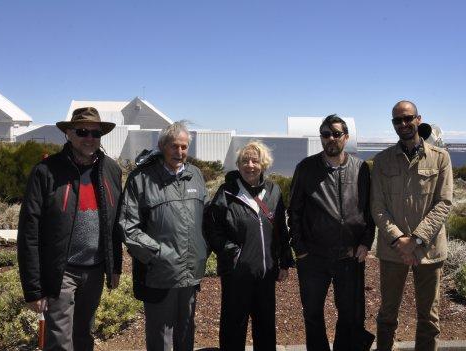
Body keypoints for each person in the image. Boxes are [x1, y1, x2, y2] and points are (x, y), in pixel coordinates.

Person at [17, 107, 123, 351]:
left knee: (84, 336)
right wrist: (34, 289)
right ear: (68, 134)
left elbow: (115, 224)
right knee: (60, 341)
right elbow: (29, 233)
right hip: (61, 271)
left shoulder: (110, 170)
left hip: (95, 271)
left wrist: (114, 265)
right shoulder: (46, 172)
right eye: (82, 131)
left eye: (95, 133)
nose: (89, 138)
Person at [371, 101, 453, 351]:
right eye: (397, 120)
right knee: (387, 315)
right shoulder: (383, 161)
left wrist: (416, 240)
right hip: (393, 251)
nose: (403, 124)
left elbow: (444, 202)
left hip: (428, 250)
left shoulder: (440, 158)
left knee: (428, 317)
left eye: (408, 118)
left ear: (418, 119)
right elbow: (377, 206)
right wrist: (399, 241)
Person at [288, 114, 375, 351]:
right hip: (314, 257)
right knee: (313, 314)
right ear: (321, 138)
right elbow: (293, 211)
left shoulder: (360, 169)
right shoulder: (306, 168)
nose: (331, 138)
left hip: (350, 256)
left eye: (336, 134)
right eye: (326, 134)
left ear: (346, 137)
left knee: (350, 315)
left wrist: (366, 242)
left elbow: (369, 210)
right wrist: (300, 250)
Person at [119, 121, 208, 351]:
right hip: (159, 273)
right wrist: (158, 255)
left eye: (184, 147)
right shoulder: (141, 179)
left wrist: (202, 251)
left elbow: (208, 220)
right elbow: (128, 226)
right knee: (161, 337)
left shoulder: (195, 175)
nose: (179, 152)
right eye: (174, 146)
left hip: (190, 273)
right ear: (162, 146)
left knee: (186, 332)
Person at [204, 140, 294, 351]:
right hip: (237, 274)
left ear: (264, 164)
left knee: (265, 328)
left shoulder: (273, 191)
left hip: (266, 273)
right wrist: (232, 253)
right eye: (245, 161)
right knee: (233, 328)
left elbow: (281, 228)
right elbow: (211, 229)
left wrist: (284, 262)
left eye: (255, 160)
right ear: (239, 164)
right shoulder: (226, 193)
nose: (250, 165)